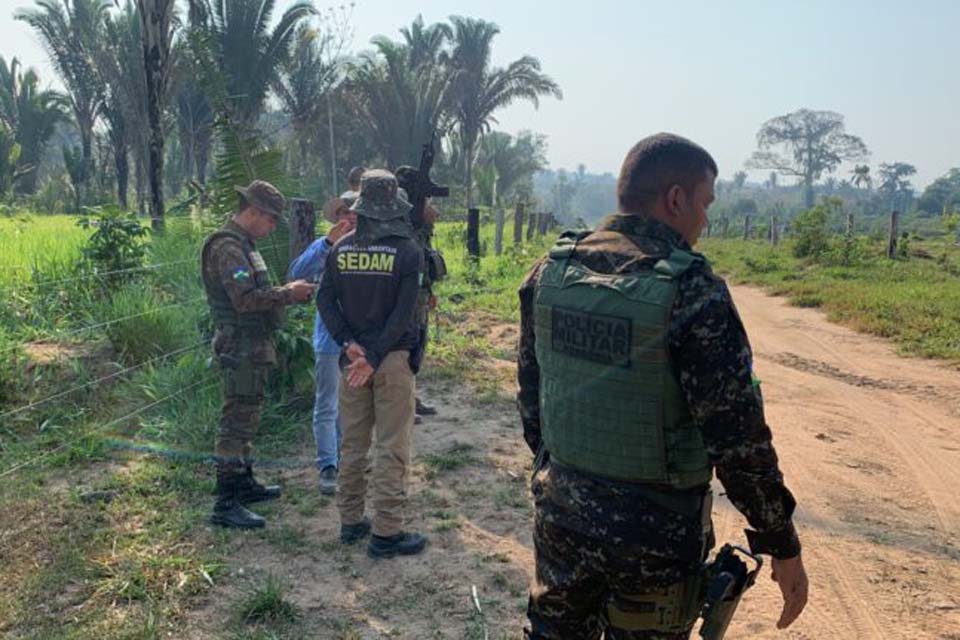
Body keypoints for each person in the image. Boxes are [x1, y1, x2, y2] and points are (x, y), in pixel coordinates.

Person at [518, 133, 808, 639]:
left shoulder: (551, 272)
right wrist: (780, 542)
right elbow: (738, 441)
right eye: (705, 202)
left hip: (561, 518)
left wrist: (570, 476)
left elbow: (533, 401)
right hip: (655, 538)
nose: (705, 220)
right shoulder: (692, 291)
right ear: (676, 199)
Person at [317, 169, 427, 558]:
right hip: (391, 359)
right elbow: (403, 314)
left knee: (354, 443)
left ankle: (349, 522)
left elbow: (324, 301)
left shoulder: (339, 250)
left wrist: (349, 345)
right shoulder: (408, 251)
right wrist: (376, 355)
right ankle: (386, 532)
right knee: (393, 444)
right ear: (392, 206)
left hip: (353, 361)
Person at [201, 180, 317, 529]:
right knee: (235, 422)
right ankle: (225, 502)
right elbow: (245, 299)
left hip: (252, 343)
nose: (271, 228)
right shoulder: (228, 249)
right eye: (270, 221)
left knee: (248, 415)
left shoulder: (243, 245)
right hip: (240, 345)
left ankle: (243, 483)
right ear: (253, 212)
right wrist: (289, 294)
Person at [288, 195, 357, 495]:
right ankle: (328, 465)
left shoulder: (375, 246)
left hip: (362, 341)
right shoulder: (324, 246)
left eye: (355, 211)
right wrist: (327, 244)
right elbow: (296, 273)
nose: (350, 217)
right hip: (330, 338)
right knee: (327, 403)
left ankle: (349, 458)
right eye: (344, 212)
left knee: (353, 404)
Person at [394, 166, 443, 421]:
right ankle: (402, 402)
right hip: (407, 301)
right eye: (427, 202)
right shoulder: (406, 230)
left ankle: (410, 396)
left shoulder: (421, 231)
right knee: (406, 348)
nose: (433, 209)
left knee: (418, 347)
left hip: (420, 298)